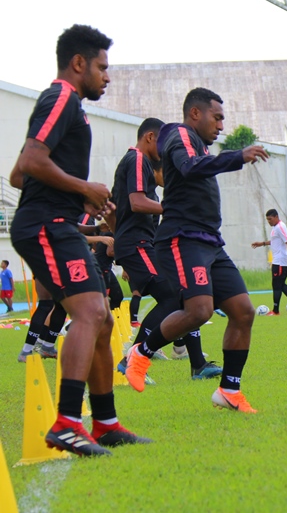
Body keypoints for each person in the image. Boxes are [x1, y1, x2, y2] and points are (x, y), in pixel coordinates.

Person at [8, 24, 148, 456]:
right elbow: (31, 161)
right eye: (102, 68)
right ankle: (67, 423)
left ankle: (105, 423)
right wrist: (84, 188)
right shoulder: (61, 98)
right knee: (90, 311)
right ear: (78, 64)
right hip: (44, 225)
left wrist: (77, 197)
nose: (107, 77)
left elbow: (18, 174)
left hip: (56, 220)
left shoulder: (68, 106)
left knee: (103, 317)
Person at [124, 87, 269, 413]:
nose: (221, 125)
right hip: (182, 240)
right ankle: (140, 353)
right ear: (195, 114)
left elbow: (196, 167)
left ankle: (229, 390)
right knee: (199, 311)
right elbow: (189, 167)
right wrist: (237, 156)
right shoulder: (178, 134)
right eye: (217, 117)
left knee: (243, 312)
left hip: (209, 243)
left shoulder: (198, 145)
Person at [111, 118, 219, 379]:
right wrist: (174, 210)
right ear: (150, 137)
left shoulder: (140, 165)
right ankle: (132, 359)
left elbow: (114, 210)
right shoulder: (136, 159)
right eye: (162, 144)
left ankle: (198, 364)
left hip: (141, 243)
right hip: (137, 244)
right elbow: (137, 203)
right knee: (174, 297)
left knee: (186, 295)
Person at [251, 209, 287, 315]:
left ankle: (276, 311)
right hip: (278, 261)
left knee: (277, 285)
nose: (269, 221)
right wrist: (262, 243)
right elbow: (275, 241)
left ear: (276, 217)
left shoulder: (280, 227)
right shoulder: (275, 228)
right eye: (267, 220)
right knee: (281, 285)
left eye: (270, 219)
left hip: (280, 262)